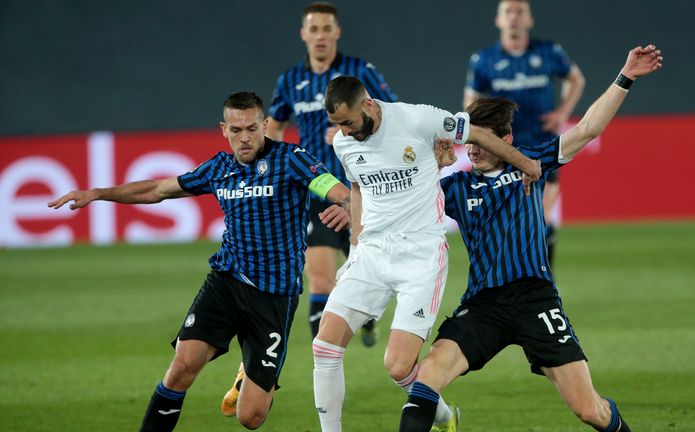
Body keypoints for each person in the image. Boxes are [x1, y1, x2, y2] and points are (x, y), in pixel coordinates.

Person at [47, 92, 352, 431]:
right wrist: (97, 193)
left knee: (250, 417)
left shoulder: (292, 158)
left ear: (265, 125)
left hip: (274, 296)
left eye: (252, 128)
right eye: (236, 130)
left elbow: (338, 190)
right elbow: (158, 190)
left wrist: (347, 204)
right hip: (226, 281)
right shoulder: (218, 169)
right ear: (224, 130)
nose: (245, 137)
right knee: (182, 367)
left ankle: (246, 377)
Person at [399, 45, 663, 432]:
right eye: (469, 140)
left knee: (589, 410)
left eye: (483, 140)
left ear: (505, 139)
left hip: (535, 300)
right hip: (484, 304)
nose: (472, 147)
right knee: (425, 379)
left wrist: (626, 76)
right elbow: (401, 197)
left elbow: (588, 128)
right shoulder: (454, 186)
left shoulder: (531, 163)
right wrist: (426, 166)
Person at [312, 75, 543, 432]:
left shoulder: (418, 119)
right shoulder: (344, 144)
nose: (343, 131)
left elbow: (479, 134)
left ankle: (445, 416)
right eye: (338, 125)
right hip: (372, 253)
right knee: (324, 347)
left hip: (420, 257)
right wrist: (355, 248)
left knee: (398, 367)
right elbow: (358, 188)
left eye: (348, 122)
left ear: (369, 106)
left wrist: (527, 165)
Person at [219, 2, 398, 419]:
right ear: (304, 34)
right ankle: (325, 363)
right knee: (319, 275)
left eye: (326, 28)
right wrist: (269, 163)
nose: (320, 35)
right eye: (313, 28)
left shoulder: (359, 72)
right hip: (318, 192)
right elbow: (275, 126)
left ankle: (365, 316)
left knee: (365, 275)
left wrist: (359, 127)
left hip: (363, 190)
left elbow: (391, 114)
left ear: (337, 33)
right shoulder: (291, 80)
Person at [464, 0, 586, 265]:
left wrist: (563, 112)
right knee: (506, 223)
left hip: (544, 147)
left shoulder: (549, 52)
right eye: (508, 12)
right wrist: (481, 135)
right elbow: (469, 103)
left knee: (541, 219)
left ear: (530, 20)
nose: (514, 18)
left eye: (520, 12)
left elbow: (576, 79)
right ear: (498, 20)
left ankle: (543, 281)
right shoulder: (484, 60)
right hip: (503, 151)